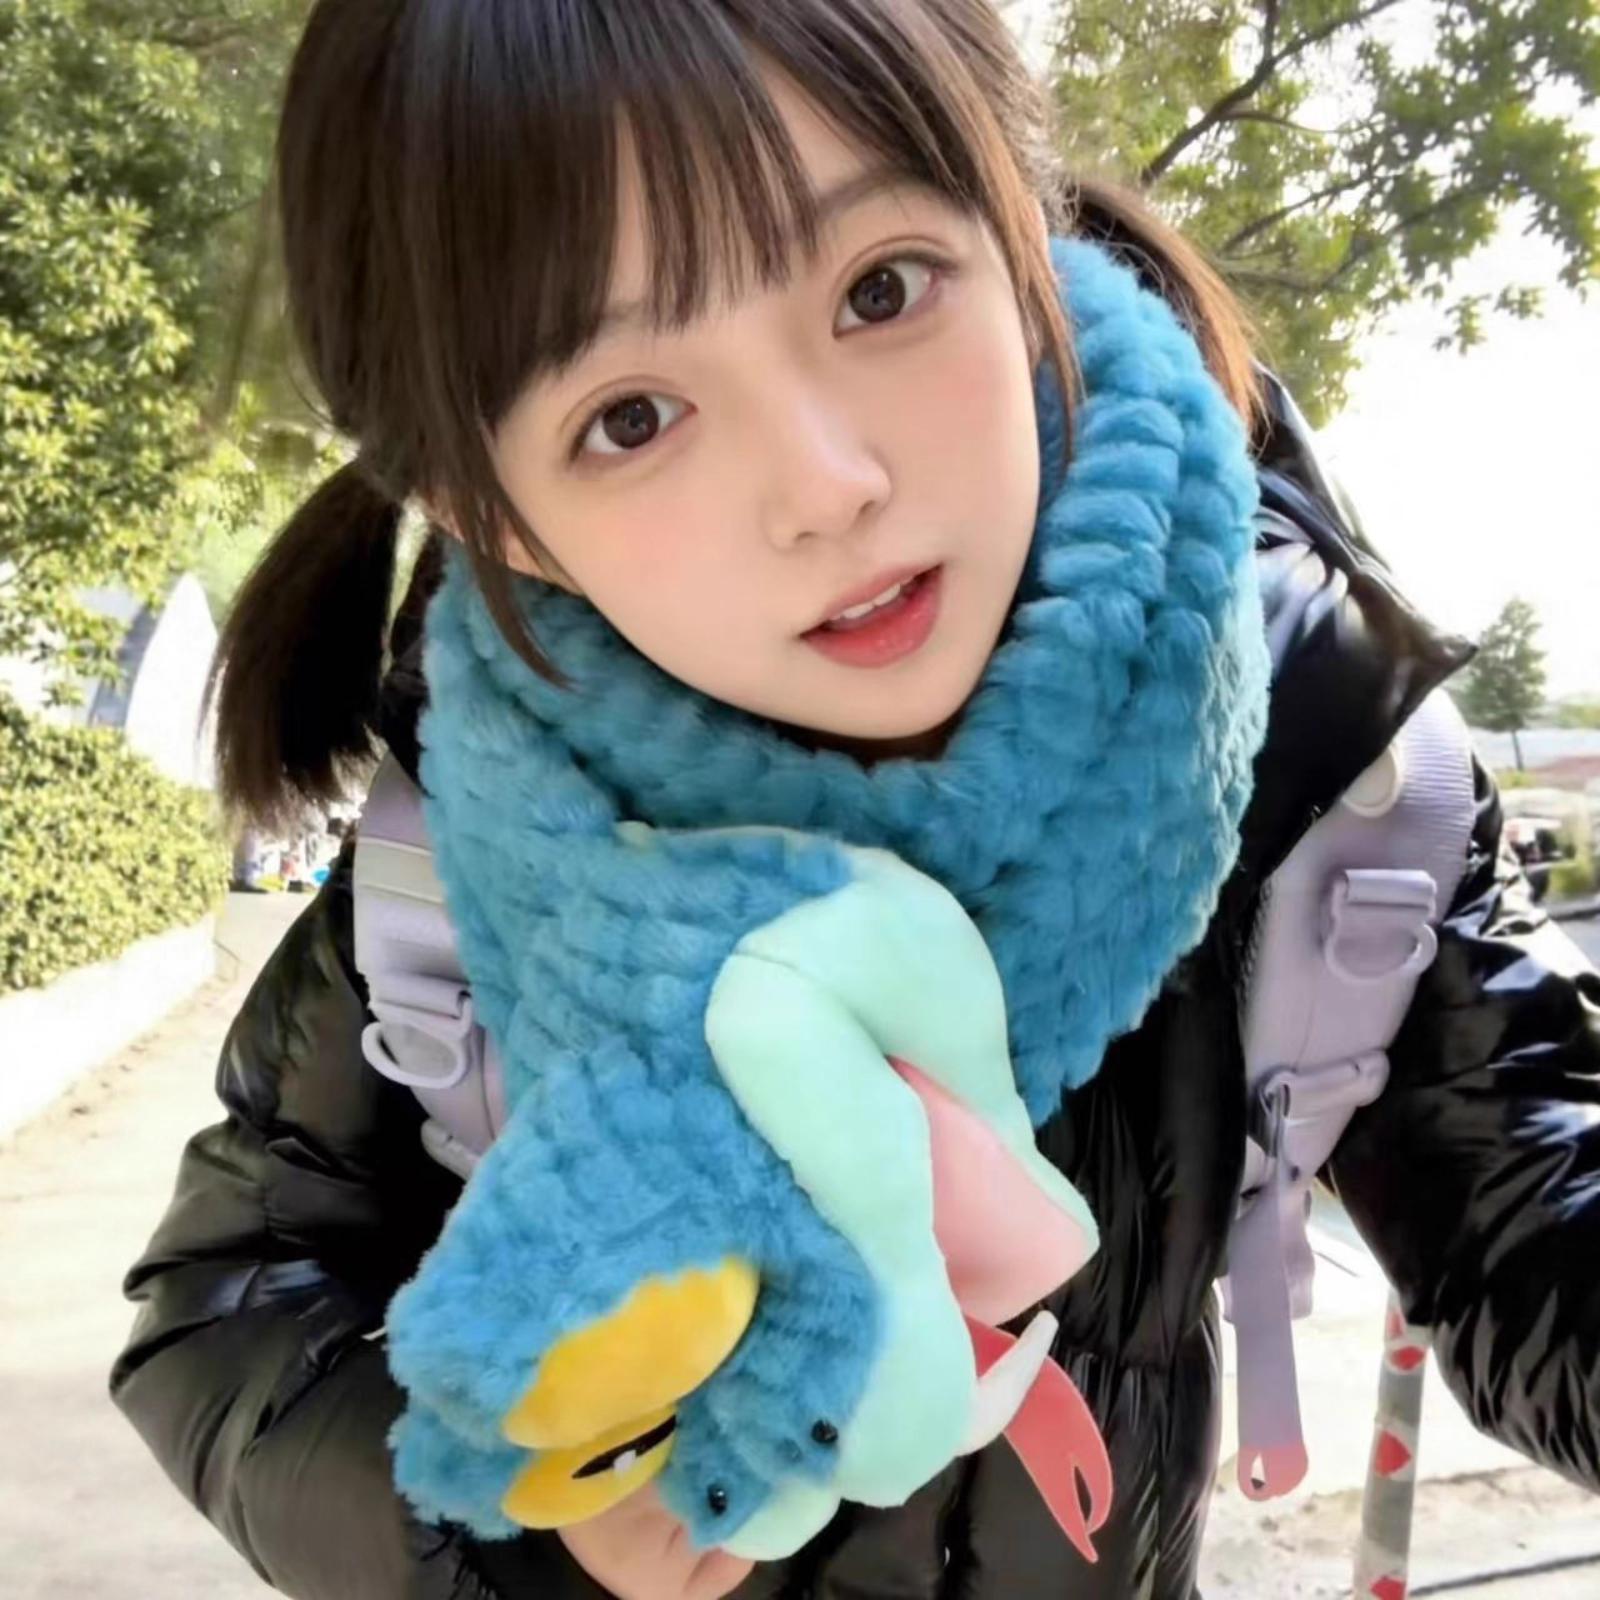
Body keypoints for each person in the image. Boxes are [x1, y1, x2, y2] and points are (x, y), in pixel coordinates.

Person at [109, 3, 1600, 1598]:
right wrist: (527, 1548)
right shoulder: (489, 853)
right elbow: (227, 1310)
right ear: (495, 514)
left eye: (880, 289)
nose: (828, 484)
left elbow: (1530, 1216)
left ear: (1019, 236)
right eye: (630, 416)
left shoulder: (1317, 760)